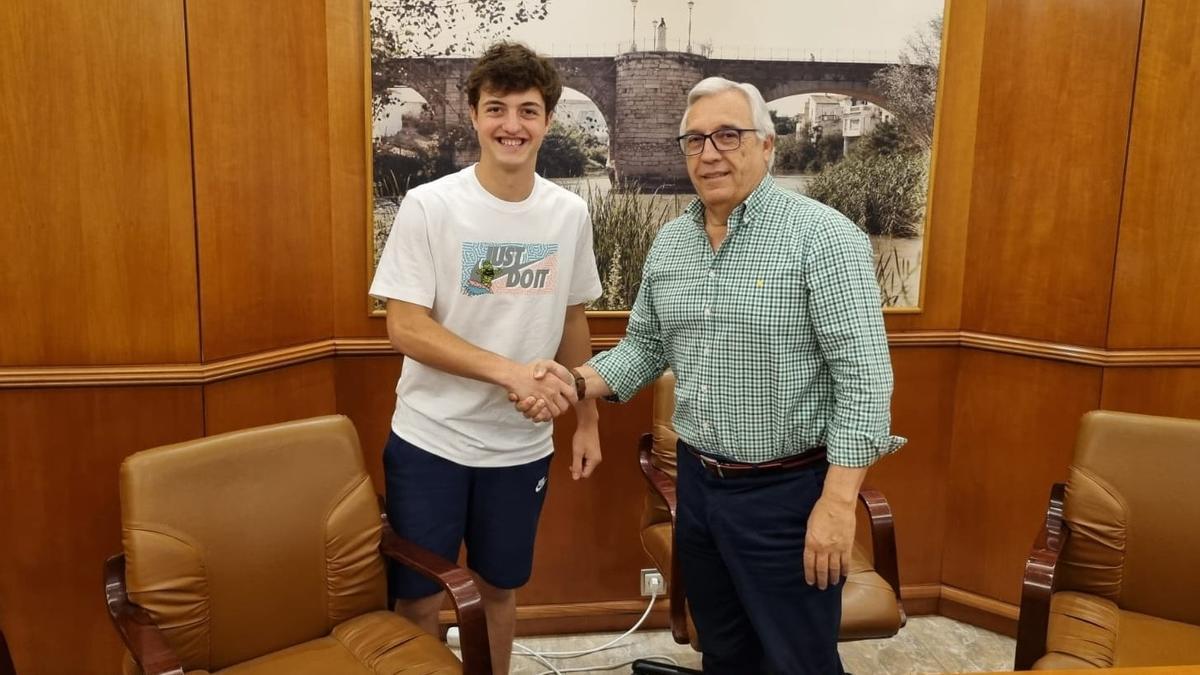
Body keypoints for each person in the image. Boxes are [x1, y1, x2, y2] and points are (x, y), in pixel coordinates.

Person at [519, 77, 905, 674]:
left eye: (728, 135)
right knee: (724, 652)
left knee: (798, 660)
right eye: (694, 140)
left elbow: (865, 382)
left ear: (767, 145)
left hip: (788, 496)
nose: (709, 153)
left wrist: (836, 504)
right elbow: (645, 347)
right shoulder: (672, 243)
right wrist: (573, 384)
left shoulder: (823, 238)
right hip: (698, 488)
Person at [369, 42, 603, 674]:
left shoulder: (569, 213)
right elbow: (406, 327)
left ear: (547, 121)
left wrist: (585, 419)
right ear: (472, 114)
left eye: (528, 111)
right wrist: (509, 371)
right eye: (496, 108)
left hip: (519, 449)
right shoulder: (430, 206)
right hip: (430, 441)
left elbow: (572, 315)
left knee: (500, 590)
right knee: (417, 597)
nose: (511, 125)